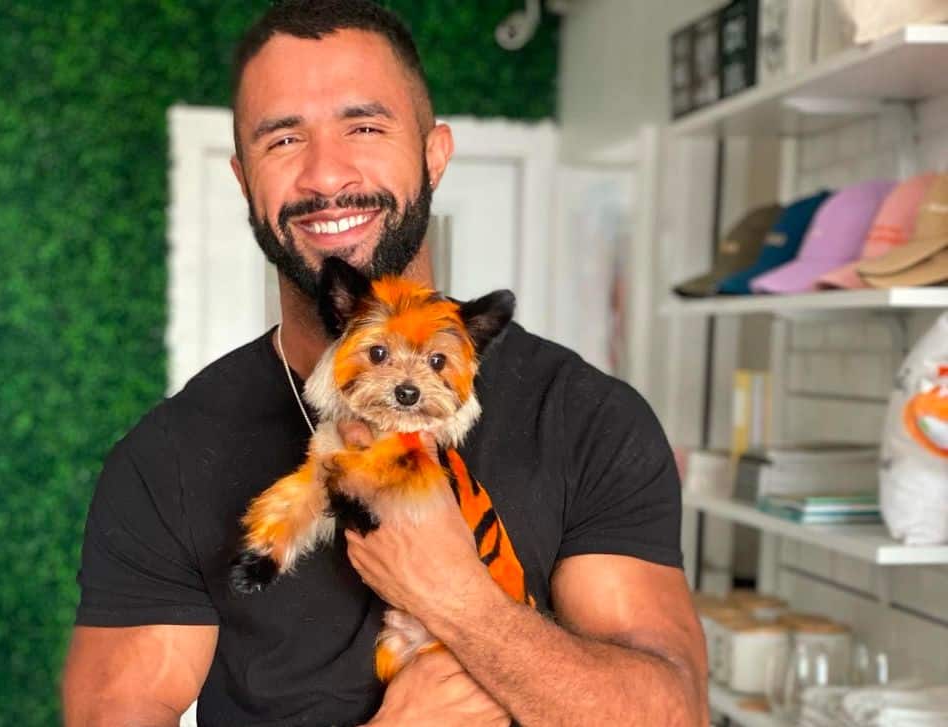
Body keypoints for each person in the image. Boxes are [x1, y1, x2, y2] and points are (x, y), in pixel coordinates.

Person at [61, 1, 708, 725]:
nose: (326, 173)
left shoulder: (590, 419)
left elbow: (673, 713)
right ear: (245, 182)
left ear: (434, 153)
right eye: (283, 140)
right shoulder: (167, 459)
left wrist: (460, 602)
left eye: (363, 127)